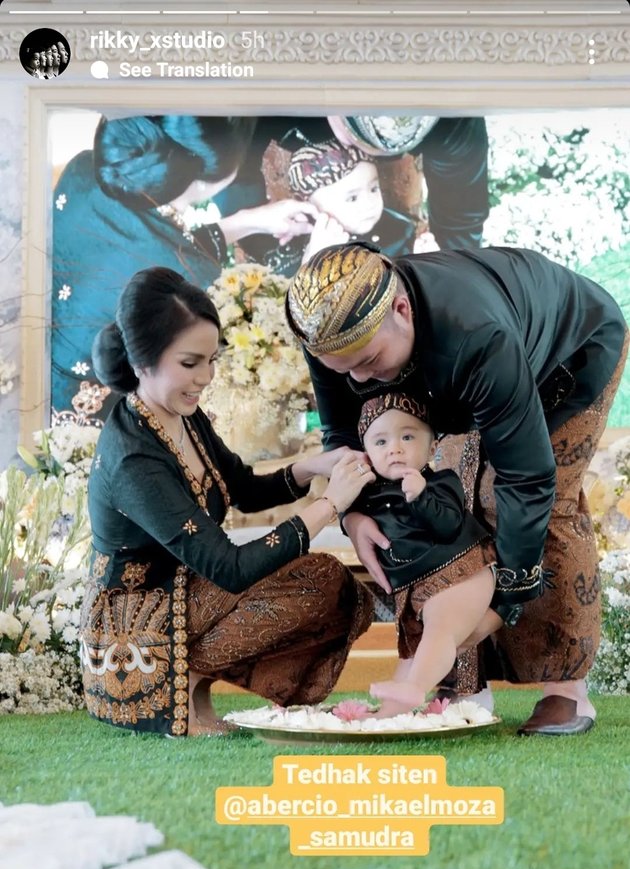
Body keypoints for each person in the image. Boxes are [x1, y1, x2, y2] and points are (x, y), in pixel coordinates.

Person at [285, 241, 629, 736]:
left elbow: (527, 477)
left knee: (533, 502)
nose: (359, 380)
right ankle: (461, 685)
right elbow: (344, 436)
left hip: (571, 351)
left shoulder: (476, 336)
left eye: (368, 361)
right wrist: (353, 514)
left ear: (400, 309)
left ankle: (565, 689)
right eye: (344, 370)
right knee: (438, 499)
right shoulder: (333, 333)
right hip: (458, 367)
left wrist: (507, 597)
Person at [80, 265, 374, 738]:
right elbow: (229, 568)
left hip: (187, 593)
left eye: (212, 360)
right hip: (133, 634)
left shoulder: (182, 413)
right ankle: (178, 686)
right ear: (142, 361)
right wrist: (330, 506)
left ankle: (197, 685)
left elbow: (240, 486)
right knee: (313, 579)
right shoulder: (133, 459)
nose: (206, 377)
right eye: (191, 363)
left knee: (325, 580)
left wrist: (314, 466)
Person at [52, 114, 318, 423]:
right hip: (91, 412)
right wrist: (314, 260)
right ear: (207, 180)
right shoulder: (191, 280)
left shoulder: (84, 168)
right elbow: (167, 255)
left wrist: (248, 221)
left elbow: (153, 241)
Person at [353, 392, 496, 718]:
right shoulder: (369, 492)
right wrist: (350, 514)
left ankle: (415, 688)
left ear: (432, 448)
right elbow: (342, 505)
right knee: (411, 649)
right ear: (367, 454)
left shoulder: (441, 482)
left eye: (407, 436)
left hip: (462, 570)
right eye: (380, 441)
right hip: (417, 586)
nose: (395, 448)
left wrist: (421, 497)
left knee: (439, 628)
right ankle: (389, 713)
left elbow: (448, 526)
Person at [221, 114, 488, 269]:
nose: (368, 203)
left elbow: (461, 216)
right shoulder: (261, 96)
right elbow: (229, 174)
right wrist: (250, 224)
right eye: (354, 140)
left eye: (374, 189)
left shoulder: (453, 118)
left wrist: (443, 271)